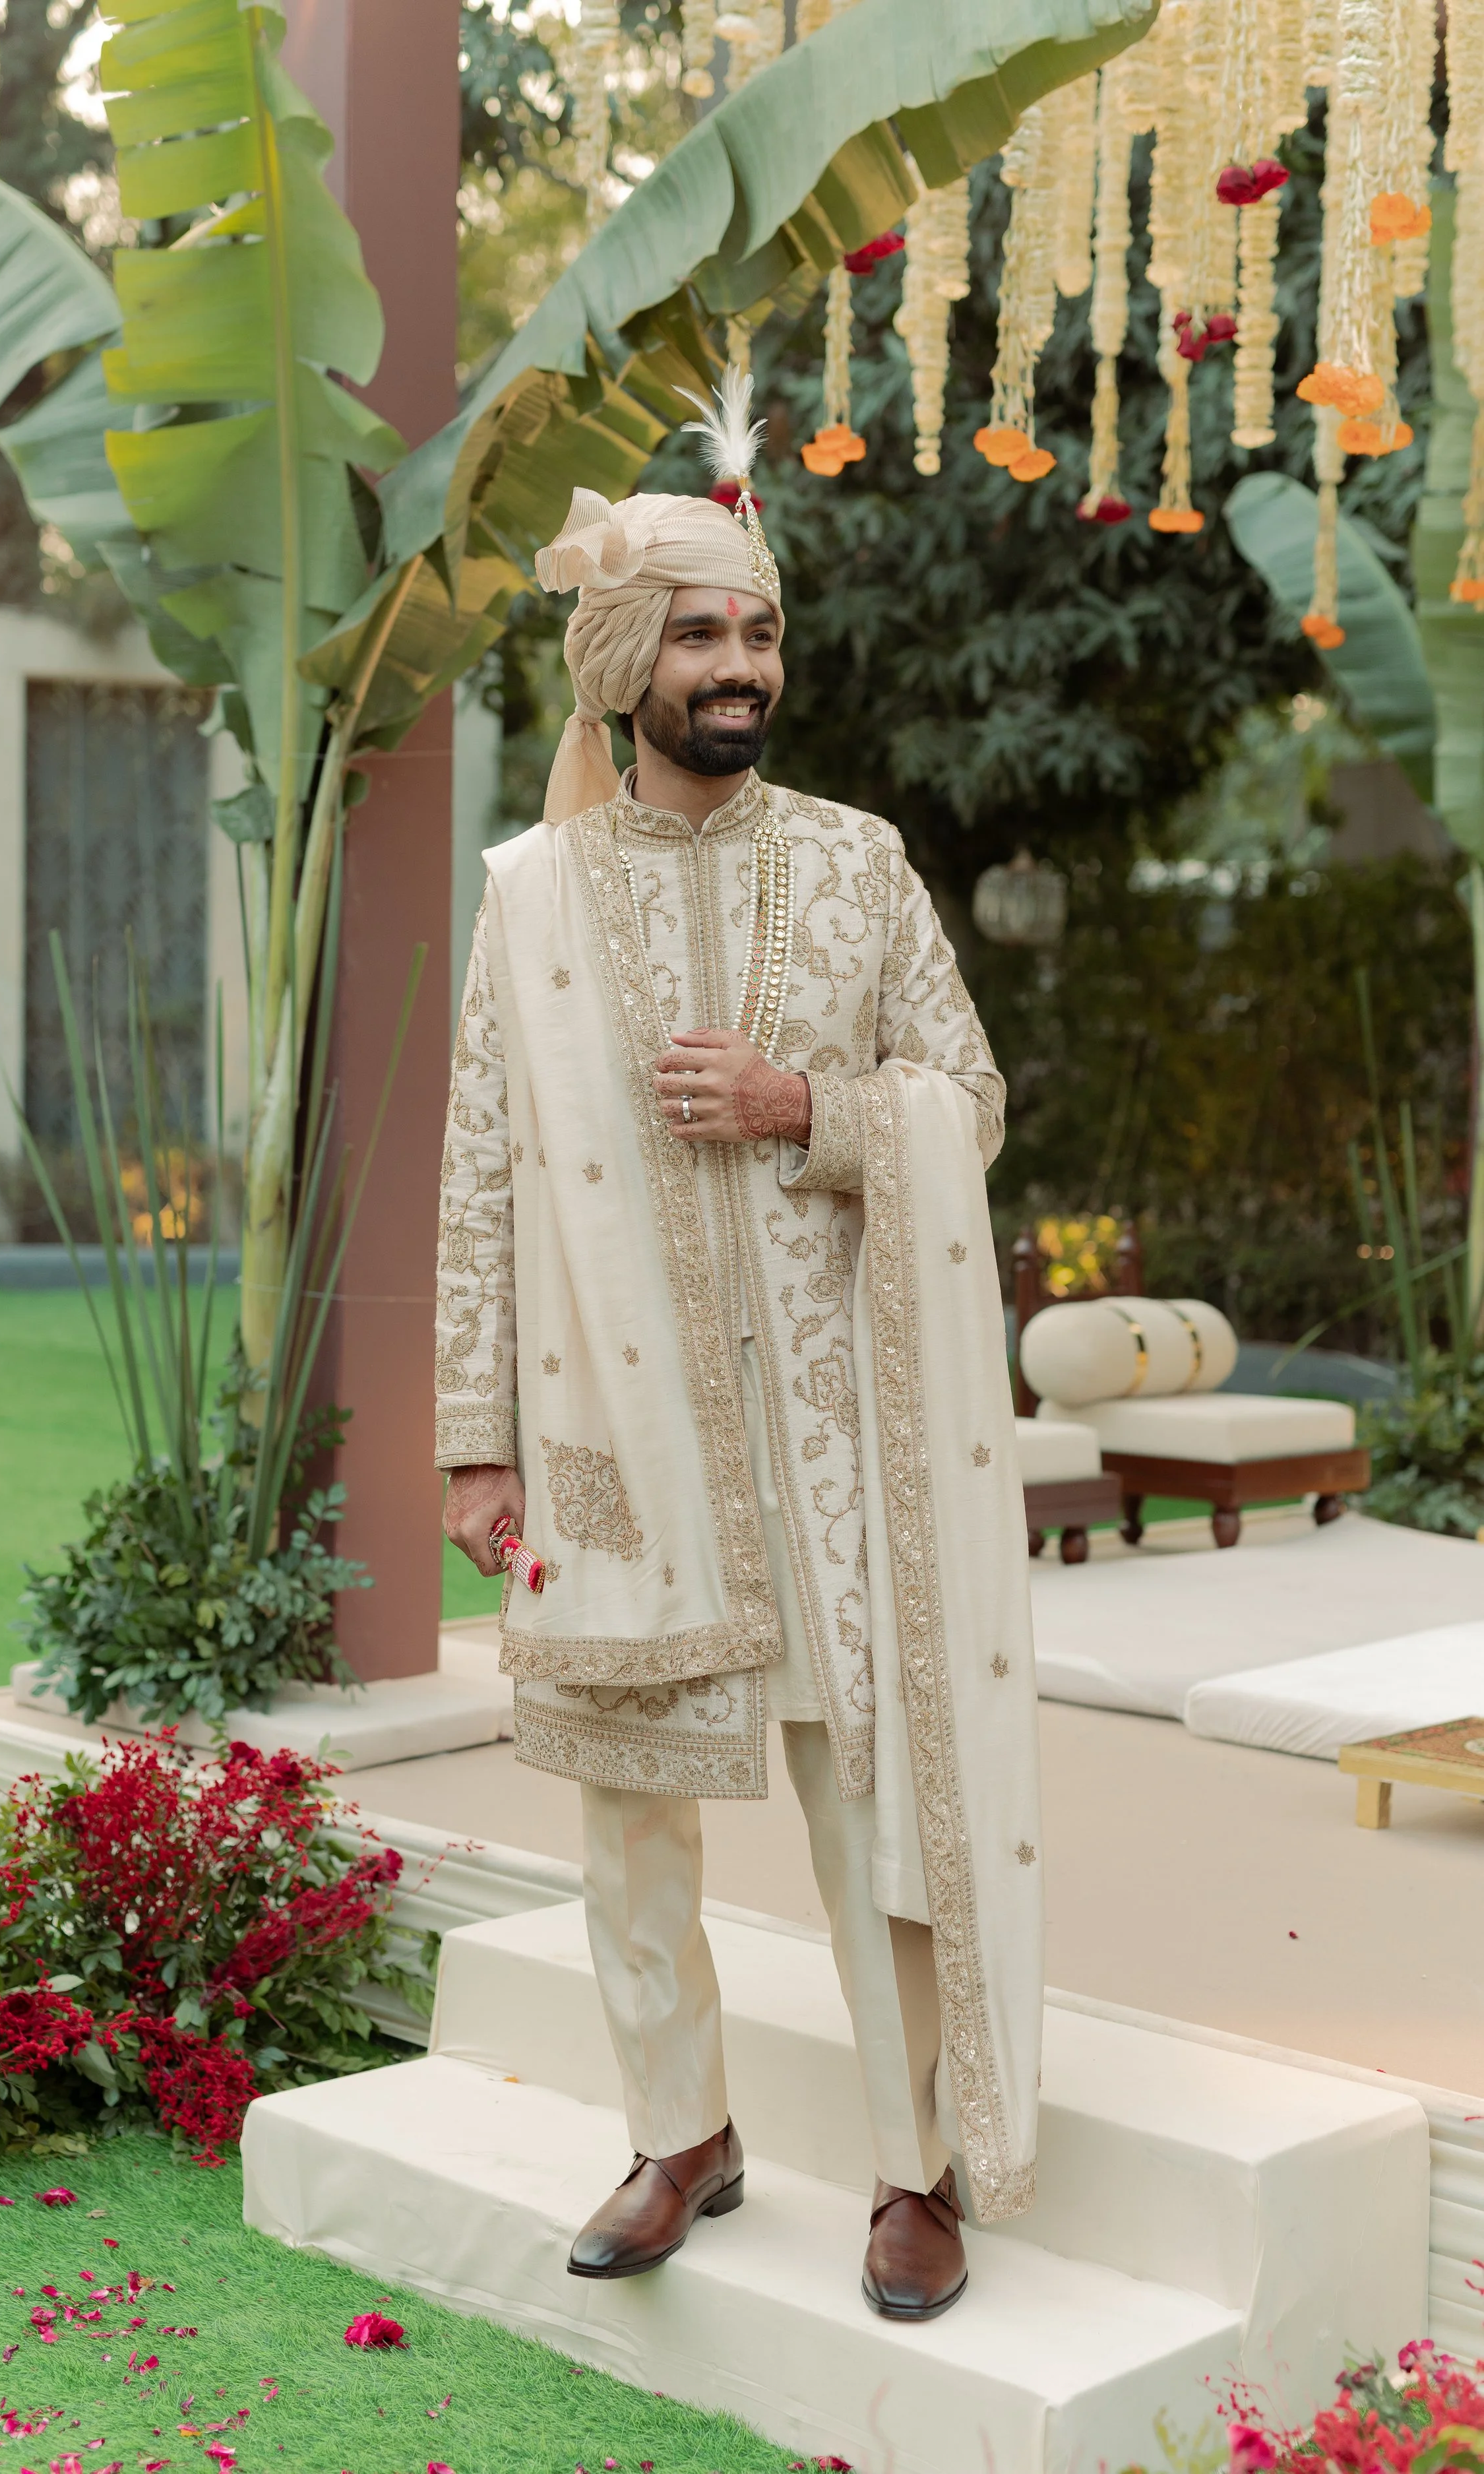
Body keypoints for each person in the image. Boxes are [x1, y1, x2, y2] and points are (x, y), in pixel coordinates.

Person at [435, 372, 1041, 2320]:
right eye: (698, 628)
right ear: (621, 659)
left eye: (758, 626)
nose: (738, 661)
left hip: (829, 1430)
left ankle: (911, 2157)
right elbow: (479, 1178)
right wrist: (473, 1434)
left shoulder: (858, 864)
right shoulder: (525, 899)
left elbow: (970, 1093)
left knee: (862, 1793)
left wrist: (808, 1104)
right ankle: (678, 2132)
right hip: (614, 1430)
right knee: (626, 1807)